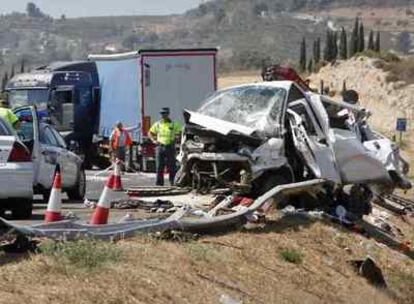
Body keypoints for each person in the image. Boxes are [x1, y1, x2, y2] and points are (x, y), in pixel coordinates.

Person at [149, 107, 182, 186]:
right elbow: (150, 133)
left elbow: (179, 133)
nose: (163, 115)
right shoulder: (158, 124)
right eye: (162, 114)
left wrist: (176, 138)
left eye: (165, 113)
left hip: (170, 147)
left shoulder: (174, 124)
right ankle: (159, 184)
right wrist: (153, 140)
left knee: (171, 167)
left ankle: (172, 183)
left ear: (168, 114)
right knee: (159, 166)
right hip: (160, 147)